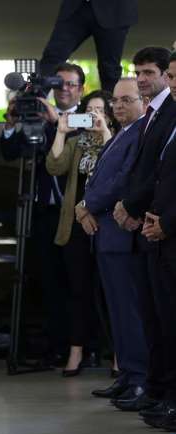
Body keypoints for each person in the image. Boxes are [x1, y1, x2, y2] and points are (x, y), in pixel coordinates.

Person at [1, 62, 85, 366]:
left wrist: (57, 120)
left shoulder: (87, 115)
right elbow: (10, 152)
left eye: (71, 84)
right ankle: (54, 346)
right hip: (41, 210)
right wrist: (11, 123)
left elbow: (87, 134)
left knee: (75, 283)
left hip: (74, 212)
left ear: (81, 89)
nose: (65, 89)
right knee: (47, 282)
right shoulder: (36, 115)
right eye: (59, 84)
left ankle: (79, 347)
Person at [112, 47, 176, 412]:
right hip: (152, 226)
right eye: (139, 72)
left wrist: (133, 207)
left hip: (161, 224)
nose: (143, 78)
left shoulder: (169, 110)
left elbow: (158, 175)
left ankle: (164, 393)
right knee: (153, 316)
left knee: (166, 318)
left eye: (150, 72)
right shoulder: (153, 115)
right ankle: (157, 390)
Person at [78, 78, 149, 399]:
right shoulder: (121, 134)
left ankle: (140, 378)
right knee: (117, 311)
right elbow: (97, 178)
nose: (118, 106)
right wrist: (85, 207)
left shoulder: (140, 134)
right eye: (115, 101)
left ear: (144, 102)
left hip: (123, 236)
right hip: (105, 235)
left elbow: (124, 181)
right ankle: (127, 373)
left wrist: (87, 205)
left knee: (130, 310)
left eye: (126, 100)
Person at [46, 90, 117, 376]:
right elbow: (54, 165)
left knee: (111, 292)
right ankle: (76, 351)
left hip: (108, 226)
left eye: (100, 110)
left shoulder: (117, 140)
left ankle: (117, 355)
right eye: (90, 110)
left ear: (109, 115)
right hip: (75, 226)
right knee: (78, 291)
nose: (94, 116)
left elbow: (117, 168)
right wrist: (61, 132)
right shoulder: (76, 143)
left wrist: (105, 133)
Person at [140, 53, 176, 430]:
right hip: (162, 231)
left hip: (170, 230)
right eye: (172, 75)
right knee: (164, 322)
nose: (173, 82)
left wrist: (168, 221)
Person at [39, 0, 138, 92]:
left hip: (115, 10)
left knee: (109, 69)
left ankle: (111, 107)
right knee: (52, 57)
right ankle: (33, 103)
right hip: (76, 7)